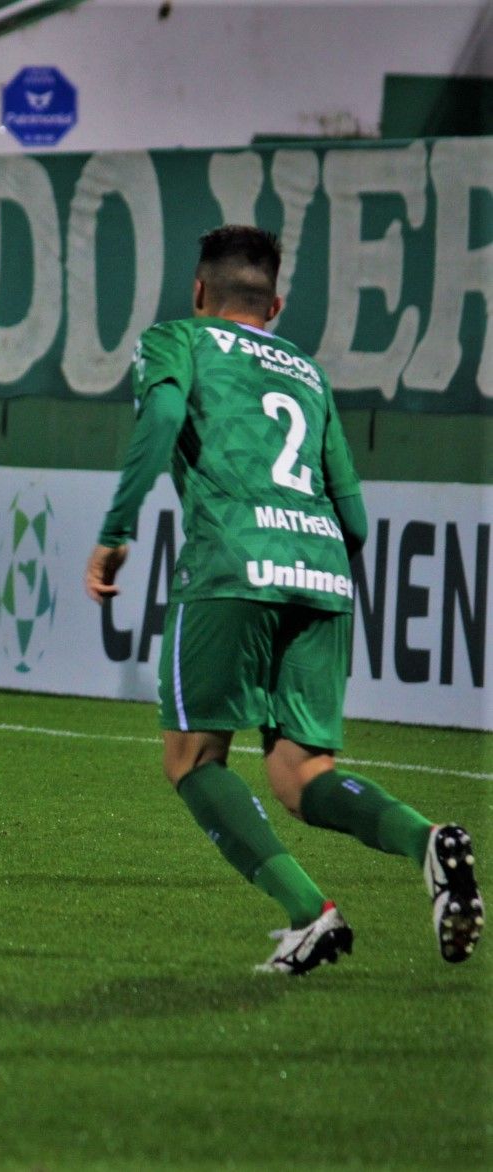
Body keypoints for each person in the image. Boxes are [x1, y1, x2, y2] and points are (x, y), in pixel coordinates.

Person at [84, 224, 482, 975]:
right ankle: (425, 840)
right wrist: (316, 565)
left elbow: (164, 418)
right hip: (323, 568)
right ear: (277, 304)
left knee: (192, 758)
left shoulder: (180, 339)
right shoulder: (306, 370)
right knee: (303, 776)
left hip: (234, 561)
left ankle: (312, 914)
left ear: (200, 292)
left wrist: (115, 530)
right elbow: (354, 513)